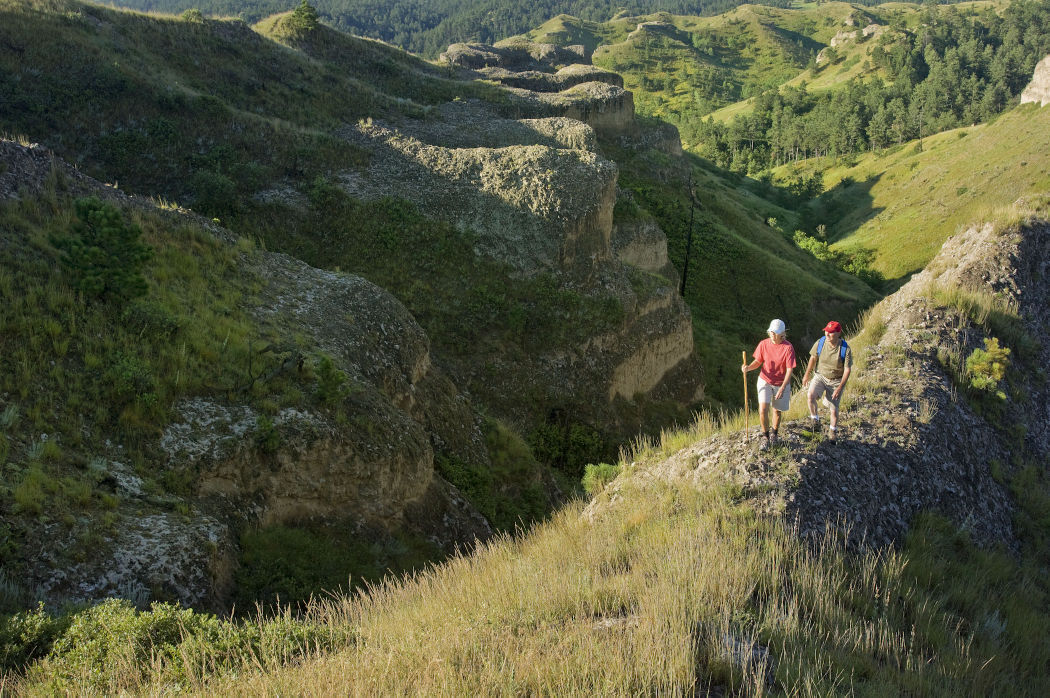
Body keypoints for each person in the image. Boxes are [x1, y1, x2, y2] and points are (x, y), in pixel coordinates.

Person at [741, 319, 796, 452]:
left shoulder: (788, 348)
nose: (772, 334)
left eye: (775, 332)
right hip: (765, 380)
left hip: (781, 383)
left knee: (776, 410)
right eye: (771, 331)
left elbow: (789, 370)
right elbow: (758, 361)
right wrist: (748, 368)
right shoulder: (763, 344)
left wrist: (782, 388)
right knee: (763, 409)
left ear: (782, 334)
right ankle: (765, 436)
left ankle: (774, 434)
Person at [801, 320, 853, 442]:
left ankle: (832, 431)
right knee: (810, 395)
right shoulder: (820, 343)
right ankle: (815, 421)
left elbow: (847, 370)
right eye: (826, 332)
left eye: (831, 332)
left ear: (838, 333)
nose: (827, 334)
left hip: (836, 381)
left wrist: (839, 388)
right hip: (820, 376)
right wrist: (806, 375)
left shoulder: (845, 349)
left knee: (833, 409)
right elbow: (813, 358)